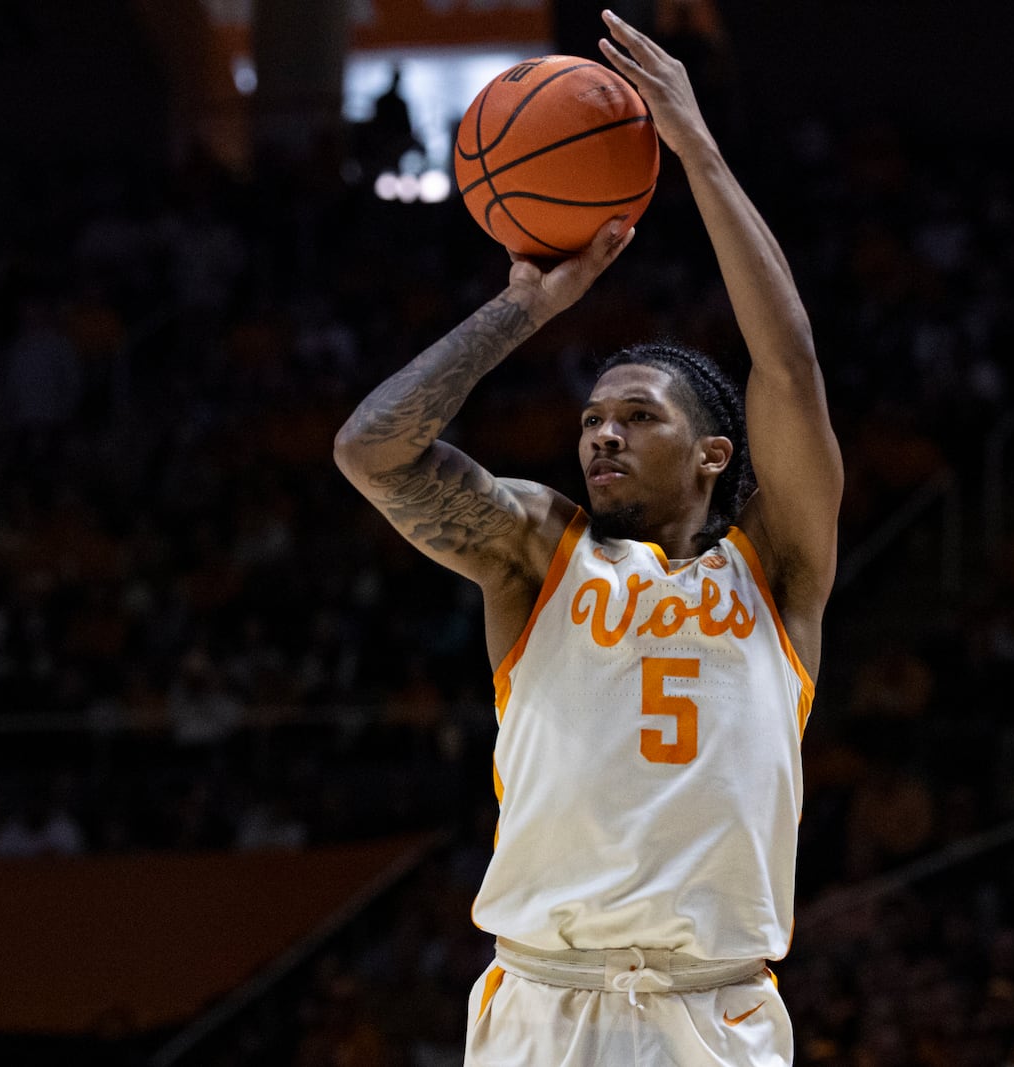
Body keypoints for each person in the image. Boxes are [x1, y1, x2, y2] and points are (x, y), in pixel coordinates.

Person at [332, 11, 842, 1066]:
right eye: (590, 419)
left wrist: (694, 148)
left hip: (712, 1012)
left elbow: (786, 367)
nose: (602, 430)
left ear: (712, 453)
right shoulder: (537, 549)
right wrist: (523, 307)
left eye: (639, 416)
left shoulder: (777, 570)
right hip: (540, 1005)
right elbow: (370, 450)